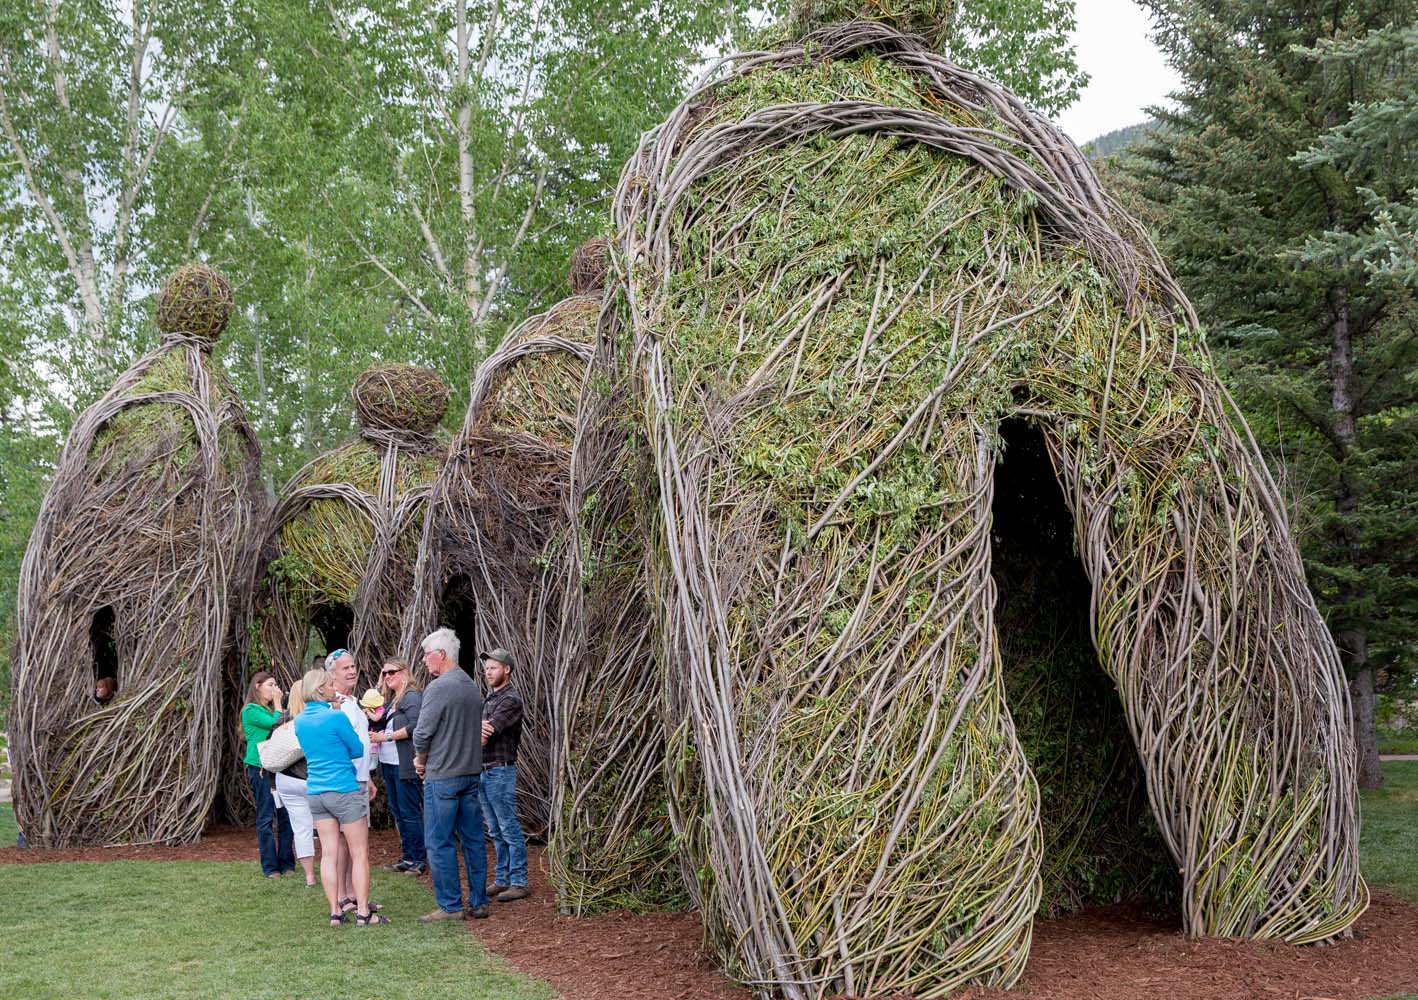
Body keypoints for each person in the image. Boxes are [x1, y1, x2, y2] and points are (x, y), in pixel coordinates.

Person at [293, 667, 388, 926]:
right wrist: (336, 715)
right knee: (359, 853)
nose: (333, 688)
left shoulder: (300, 720)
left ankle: (335, 911)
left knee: (329, 853)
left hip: (316, 791)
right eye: (328, 684)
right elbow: (357, 749)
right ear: (320, 689)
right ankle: (363, 914)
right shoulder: (335, 718)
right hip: (344, 788)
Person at [412, 627, 489, 922]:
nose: (423, 661)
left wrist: (421, 760)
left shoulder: (439, 687)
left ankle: (450, 906)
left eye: (426, 655)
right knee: (472, 839)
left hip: (443, 775)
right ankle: (479, 901)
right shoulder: (470, 685)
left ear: (440, 655)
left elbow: (422, 733)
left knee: (439, 841)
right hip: (471, 773)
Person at [327, 648, 378, 916]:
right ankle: (348, 898)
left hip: (358, 779)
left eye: (353, 666)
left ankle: (350, 895)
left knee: (349, 843)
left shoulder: (352, 703)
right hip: (346, 783)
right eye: (345, 668)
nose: (351, 671)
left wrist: (367, 775)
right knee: (349, 843)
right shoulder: (336, 706)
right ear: (332, 674)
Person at [478, 647, 529, 902]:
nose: (488, 671)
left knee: (508, 827)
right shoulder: (489, 699)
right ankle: (502, 879)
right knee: (496, 830)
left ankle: (519, 881)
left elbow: (487, 734)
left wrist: (480, 730)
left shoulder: (510, 700)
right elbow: (478, 732)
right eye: (487, 668)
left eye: (493, 667)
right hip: (484, 770)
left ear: (506, 670)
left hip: (500, 769)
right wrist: (477, 728)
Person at [371, 658, 426, 875]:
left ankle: (419, 859)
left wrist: (386, 737)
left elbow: (417, 726)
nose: (387, 677)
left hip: (405, 764)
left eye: (391, 672)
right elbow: (371, 706)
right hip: (390, 764)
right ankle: (408, 856)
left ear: (404, 672)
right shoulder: (393, 699)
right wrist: (378, 685)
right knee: (399, 812)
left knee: (410, 812)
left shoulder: (412, 696)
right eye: (384, 673)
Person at [241, 671, 295, 877]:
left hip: (278, 767)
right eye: (270, 685)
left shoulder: (268, 710)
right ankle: (270, 866)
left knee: (285, 814)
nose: (275, 689)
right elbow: (277, 724)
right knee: (265, 816)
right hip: (260, 768)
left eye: (276, 685)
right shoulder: (251, 710)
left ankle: (287, 863)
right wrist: (279, 704)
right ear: (257, 686)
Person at [273, 679, 318, 886]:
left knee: (301, 829)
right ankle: (331, 868)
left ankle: (309, 876)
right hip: (312, 778)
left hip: (286, 779)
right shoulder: (314, 719)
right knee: (326, 826)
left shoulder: (282, 720)